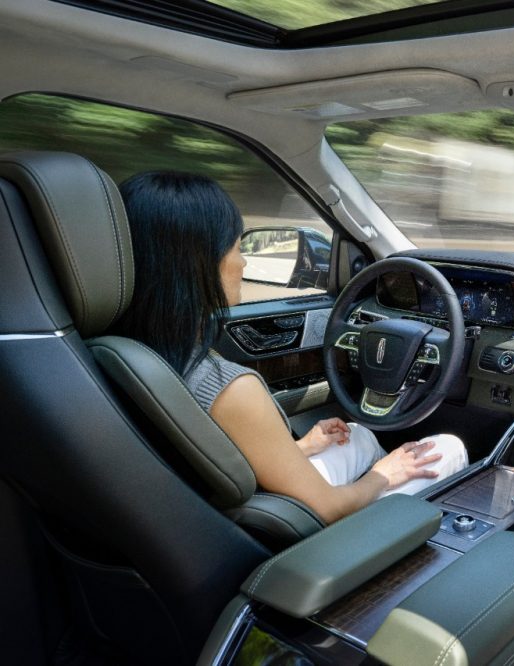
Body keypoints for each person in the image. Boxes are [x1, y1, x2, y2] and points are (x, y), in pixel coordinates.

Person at [113, 172, 467, 525]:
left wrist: (302, 448)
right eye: (238, 247)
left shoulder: (119, 352)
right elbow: (325, 508)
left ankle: (391, 508)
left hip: (223, 513)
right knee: (448, 449)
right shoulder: (231, 389)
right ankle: (391, 528)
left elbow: (212, 464)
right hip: (289, 532)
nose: (244, 263)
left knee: (357, 435)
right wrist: (385, 475)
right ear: (200, 265)